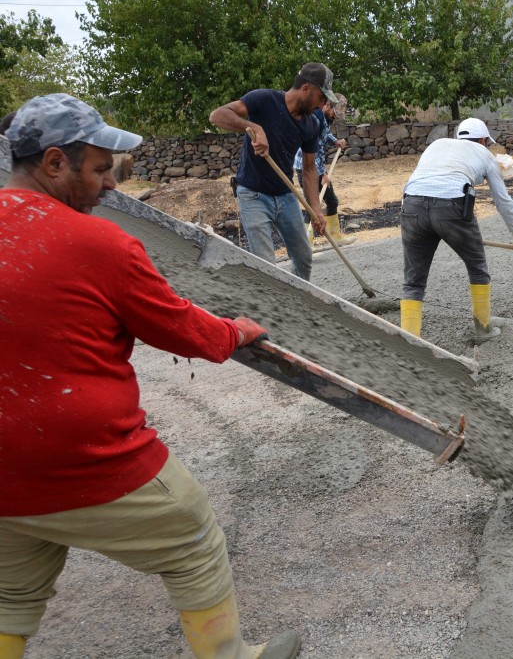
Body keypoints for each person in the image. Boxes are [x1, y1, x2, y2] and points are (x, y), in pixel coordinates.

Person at [0, 94, 297, 659]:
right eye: (101, 169)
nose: (111, 185)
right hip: (78, 454)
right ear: (56, 163)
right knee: (192, 537)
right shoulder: (100, 244)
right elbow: (180, 328)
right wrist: (233, 331)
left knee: (10, 590)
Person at [399, 117, 513, 344]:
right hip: (451, 206)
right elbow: (503, 202)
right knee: (477, 268)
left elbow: (420, 180)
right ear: (482, 140)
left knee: (413, 282)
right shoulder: (484, 154)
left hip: (411, 206)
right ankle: (483, 331)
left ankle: (409, 342)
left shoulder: (437, 145)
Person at [209, 62, 339, 281]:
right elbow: (217, 115)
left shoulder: (311, 125)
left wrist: (315, 209)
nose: (322, 105)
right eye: (321, 97)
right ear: (306, 89)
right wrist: (254, 128)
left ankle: (297, 300)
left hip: (285, 195)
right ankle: (270, 310)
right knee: (266, 264)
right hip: (253, 194)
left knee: (304, 255)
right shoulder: (264, 99)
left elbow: (308, 170)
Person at [293, 94, 348, 243]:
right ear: (328, 105)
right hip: (305, 167)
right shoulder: (314, 118)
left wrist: (335, 141)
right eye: (334, 113)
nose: (335, 117)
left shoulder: (324, 119)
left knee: (332, 201)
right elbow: (314, 151)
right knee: (311, 205)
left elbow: (325, 135)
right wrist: (323, 173)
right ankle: (307, 244)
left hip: (316, 166)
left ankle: (335, 236)